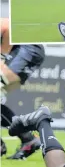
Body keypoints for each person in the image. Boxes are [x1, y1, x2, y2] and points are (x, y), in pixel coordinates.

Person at [1, 22, 45, 159]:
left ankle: (28, 138)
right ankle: (28, 139)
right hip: (28, 50)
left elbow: (6, 26)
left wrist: (3, 55)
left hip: (27, 47)